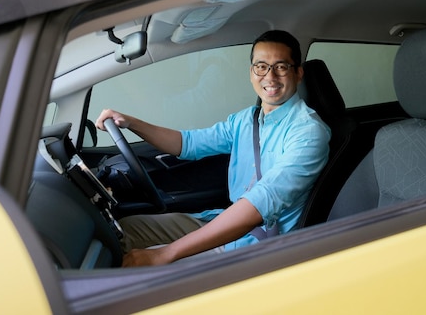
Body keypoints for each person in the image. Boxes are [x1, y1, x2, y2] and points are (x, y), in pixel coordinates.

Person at [95, 30, 331, 267]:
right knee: (126, 229)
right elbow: (187, 143)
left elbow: (259, 205)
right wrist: (131, 123)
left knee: (144, 268)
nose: (270, 77)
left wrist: (165, 254)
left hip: (258, 247)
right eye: (261, 66)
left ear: (298, 73)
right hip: (222, 222)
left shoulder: (308, 132)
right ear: (251, 73)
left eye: (281, 67)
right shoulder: (246, 120)